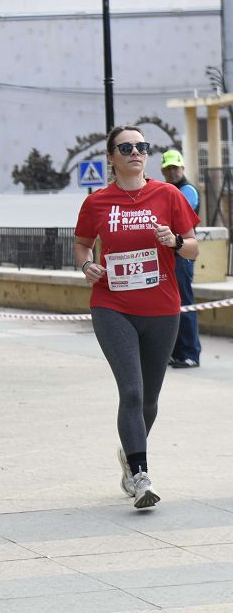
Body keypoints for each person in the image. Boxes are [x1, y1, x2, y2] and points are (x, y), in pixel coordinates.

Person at [74, 125, 200, 510]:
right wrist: (87, 266)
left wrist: (176, 242)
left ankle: (129, 454)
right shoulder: (97, 202)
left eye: (141, 146)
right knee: (130, 390)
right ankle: (140, 476)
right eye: (126, 147)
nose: (135, 152)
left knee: (150, 398)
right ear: (111, 157)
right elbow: (81, 245)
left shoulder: (169, 195)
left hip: (162, 308)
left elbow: (193, 248)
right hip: (112, 306)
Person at [160, 149, 202, 369]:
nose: (172, 172)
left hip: (182, 254)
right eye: (168, 169)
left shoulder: (188, 191)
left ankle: (190, 353)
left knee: (184, 302)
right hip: (170, 255)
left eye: (175, 168)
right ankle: (176, 352)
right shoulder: (168, 192)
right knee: (171, 304)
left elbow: (179, 219)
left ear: (182, 168)